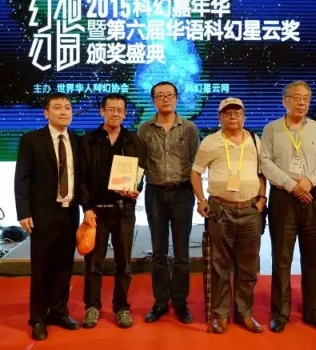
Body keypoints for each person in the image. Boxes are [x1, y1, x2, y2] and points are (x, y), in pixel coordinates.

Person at [260, 80, 316, 333]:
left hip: (313, 198)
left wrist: (309, 182)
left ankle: (314, 312)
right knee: (281, 258)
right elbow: (265, 162)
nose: (302, 102)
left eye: (306, 98)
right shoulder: (271, 129)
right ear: (285, 101)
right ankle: (280, 313)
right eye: (297, 97)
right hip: (284, 199)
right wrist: (292, 185)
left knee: (314, 257)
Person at [191, 97, 266, 334]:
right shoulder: (210, 141)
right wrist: (201, 200)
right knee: (220, 265)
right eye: (228, 113)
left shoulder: (255, 139)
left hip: (250, 210)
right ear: (220, 117)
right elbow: (195, 172)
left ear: (244, 116)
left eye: (237, 113)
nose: (233, 117)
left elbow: (261, 173)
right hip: (220, 209)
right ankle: (221, 315)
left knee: (248, 266)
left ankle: (245, 313)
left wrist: (262, 199)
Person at [14, 92, 81, 341]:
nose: (64, 112)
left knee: (64, 266)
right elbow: (22, 178)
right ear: (46, 113)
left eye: (68, 107)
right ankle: (39, 318)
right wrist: (23, 211)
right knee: (42, 268)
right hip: (42, 214)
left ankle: (59, 312)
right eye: (57, 107)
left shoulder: (77, 140)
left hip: (70, 212)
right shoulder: (31, 139)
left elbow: (81, 177)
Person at [79, 93, 146, 329]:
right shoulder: (88, 141)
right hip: (96, 213)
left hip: (123, 211)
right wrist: (86, 207)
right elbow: (81, 178)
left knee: (123, 263)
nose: (115, 113)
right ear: (102, 111)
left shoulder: (134, 141)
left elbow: (140, 175)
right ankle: (92, 306)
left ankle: (122, 308)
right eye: (111, 109)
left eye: (120, 110)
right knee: (93, 264)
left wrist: (135, 190)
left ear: (125, 113)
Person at [138, 81, 200, 324]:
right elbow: (139, 164)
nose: (165, 99)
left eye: (169, 95)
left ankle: (181, 301)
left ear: (176, 98)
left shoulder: (189, 128)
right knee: (159, 252)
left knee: (182, 252)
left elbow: (196, 164)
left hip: (183, 193)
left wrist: (200, 196)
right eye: (160, 96)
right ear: (153, 100)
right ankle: (161, 301)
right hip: (154, 193)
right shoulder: (144, 129)